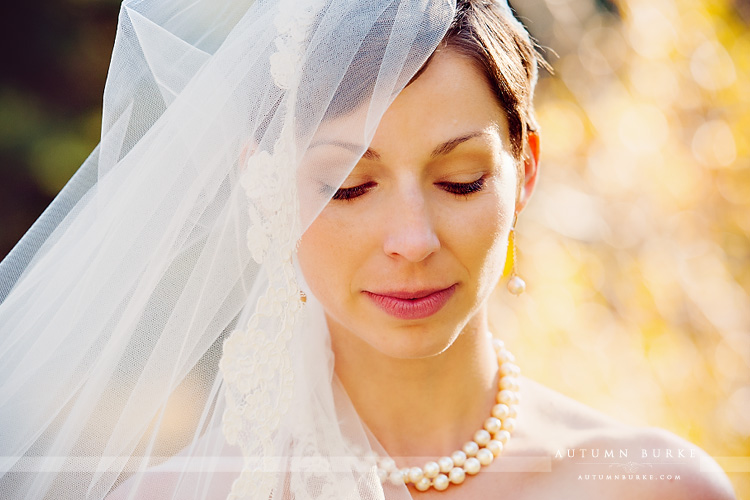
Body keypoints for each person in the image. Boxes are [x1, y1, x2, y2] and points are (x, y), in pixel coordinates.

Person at [0, 0, 737, 499]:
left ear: (526, 173)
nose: (412, 241)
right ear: (266, 186)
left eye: (459, 180)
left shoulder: (655, 486)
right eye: (349, 187)